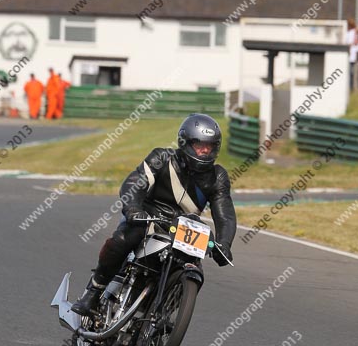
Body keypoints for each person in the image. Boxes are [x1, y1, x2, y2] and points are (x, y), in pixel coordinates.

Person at [72, 113, 237, 316]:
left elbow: (225, 212)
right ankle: (94, 291)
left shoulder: (218, 176)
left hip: (183, 228)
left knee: (196, 269)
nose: (205, 151)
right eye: (199, 145)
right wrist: (133, 209)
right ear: (186, 143)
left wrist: (224, 244)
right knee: (125, 237)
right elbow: (135, 183)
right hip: (148, 217)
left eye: (210, 146)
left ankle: (161, 318)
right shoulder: (162, 158)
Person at [346, 19, 358, 89]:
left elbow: (349, 43)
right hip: (355, 55)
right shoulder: (356, 32)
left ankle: (350, 87)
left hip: (351, 56)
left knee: (350, 73)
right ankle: (353, 87)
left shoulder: (350, 33)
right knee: (353, 73)